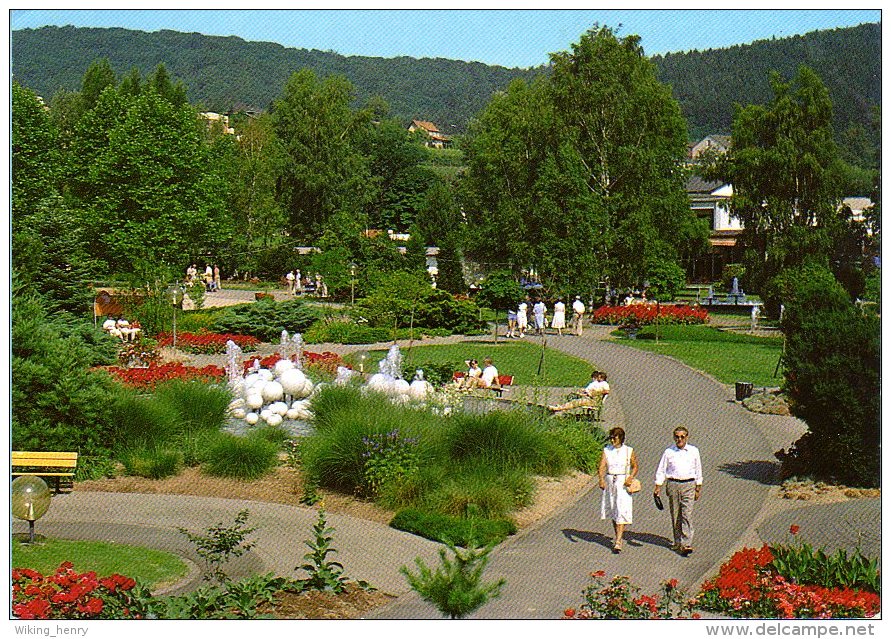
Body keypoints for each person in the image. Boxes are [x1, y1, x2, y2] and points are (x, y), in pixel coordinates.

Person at [653, 426, 703, 557]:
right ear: (674, 437)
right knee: (676, 514)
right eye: (677, 437)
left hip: (689, 484)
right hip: (673, 484)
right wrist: (658, 486)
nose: (679, 439)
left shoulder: (693, 451)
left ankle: (686, 543)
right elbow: (662, 470)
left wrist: (698, 487)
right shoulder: (669, 452)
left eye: (682, 437)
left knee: (687, 514)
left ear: (687, 437)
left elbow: (698, 469)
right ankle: (677, 541)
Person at [598, 427, 639, 553]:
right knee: (613, 509)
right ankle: (617, 535)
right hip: (611, 480)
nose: (612, 441)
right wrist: (601, 479)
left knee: (621, 509)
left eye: (614, 438)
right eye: (611, 438)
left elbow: (635, 466)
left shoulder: (628, 451)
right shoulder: (607, 450)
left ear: (620, 438)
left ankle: (618, 540)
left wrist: (631, 477)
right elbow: (602, 466)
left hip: (623, 481)